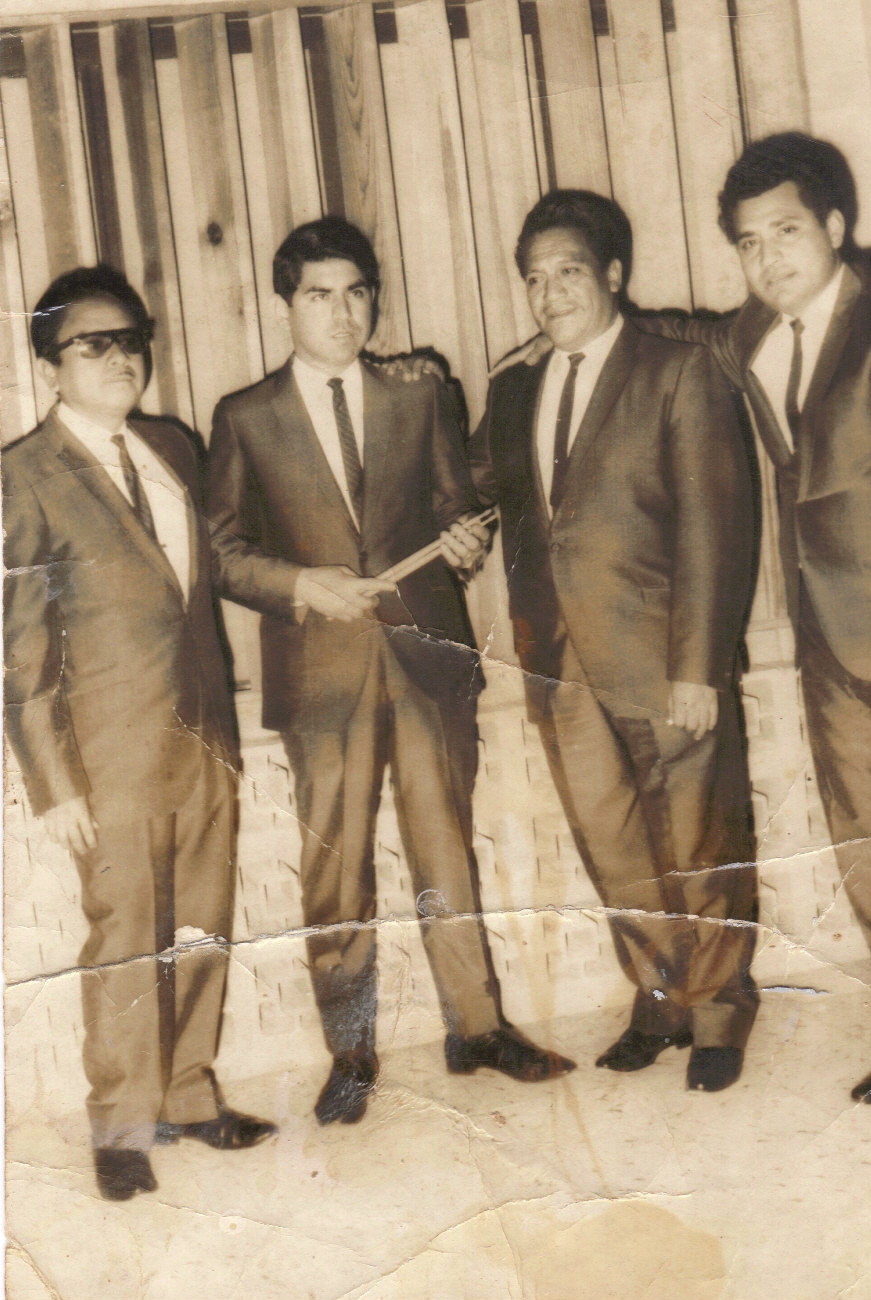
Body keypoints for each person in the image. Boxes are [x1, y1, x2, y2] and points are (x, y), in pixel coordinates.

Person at [657, 131, 871, 1142]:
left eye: (786, 232)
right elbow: (681, 338)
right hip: (827, 639)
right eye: (748, 242)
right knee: (868, 851)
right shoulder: (751, 334)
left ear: (834, 226)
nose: (767, 257)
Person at [206, 216, 571, 1127]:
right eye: (319, 296)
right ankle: (351, 1050)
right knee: (336, 869)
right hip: (320, 673)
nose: (341, 314)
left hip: (426, 659)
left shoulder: (419, 395)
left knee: (446, 846)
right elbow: (220, 552)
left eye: (356, 293)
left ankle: (476, 1028)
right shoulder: (244, 417)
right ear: (285, 306)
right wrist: (301, 584)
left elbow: (457, 511)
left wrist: (463, 540)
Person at [468, 190, 760, 1093]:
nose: (549, 293)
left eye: (569, 272)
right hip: (557, 659)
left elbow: (715, 528)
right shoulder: (513, 388)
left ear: (613, 275)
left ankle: (719, 1012)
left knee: (700, 842)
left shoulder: (675, 370)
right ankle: (659, 996)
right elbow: (471, 488)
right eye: (534, 279)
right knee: (614, 843)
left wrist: (699, 666)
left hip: (665, 658)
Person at [3, 266, 276, 1203]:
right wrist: (56, 784)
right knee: (125, 936)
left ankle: (190, 1096)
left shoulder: (172, 447)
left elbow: (207, 574)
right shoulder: (21, 477)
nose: (120, 358)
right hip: (107, 759)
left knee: (202, 921)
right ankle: (121, 1127)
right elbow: (20, 652)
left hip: (203, 736)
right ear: (50, 366)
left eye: (130, 340)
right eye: (94, 344)